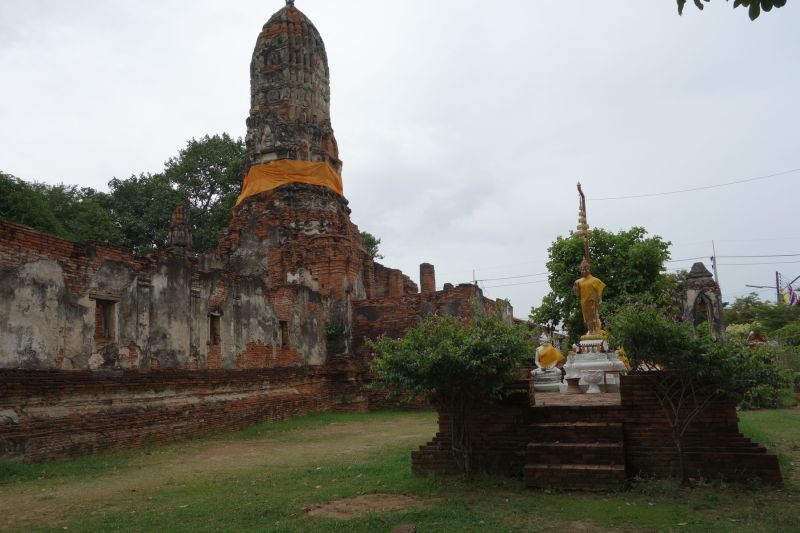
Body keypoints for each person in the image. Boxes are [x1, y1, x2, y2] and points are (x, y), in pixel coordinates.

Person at [573, 259, 606, 336]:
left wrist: (600, 299)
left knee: (593, 316)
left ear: (588, 269)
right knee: (587, 318)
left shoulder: (595, 280)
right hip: (584, 302)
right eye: (581, 269)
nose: (583, 271)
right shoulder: (579, 281)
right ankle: (590, 330)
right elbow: (577, 294)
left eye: (585, 269)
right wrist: (575, 287)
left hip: (592, 301)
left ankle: (595, 330)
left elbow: (599, 291)